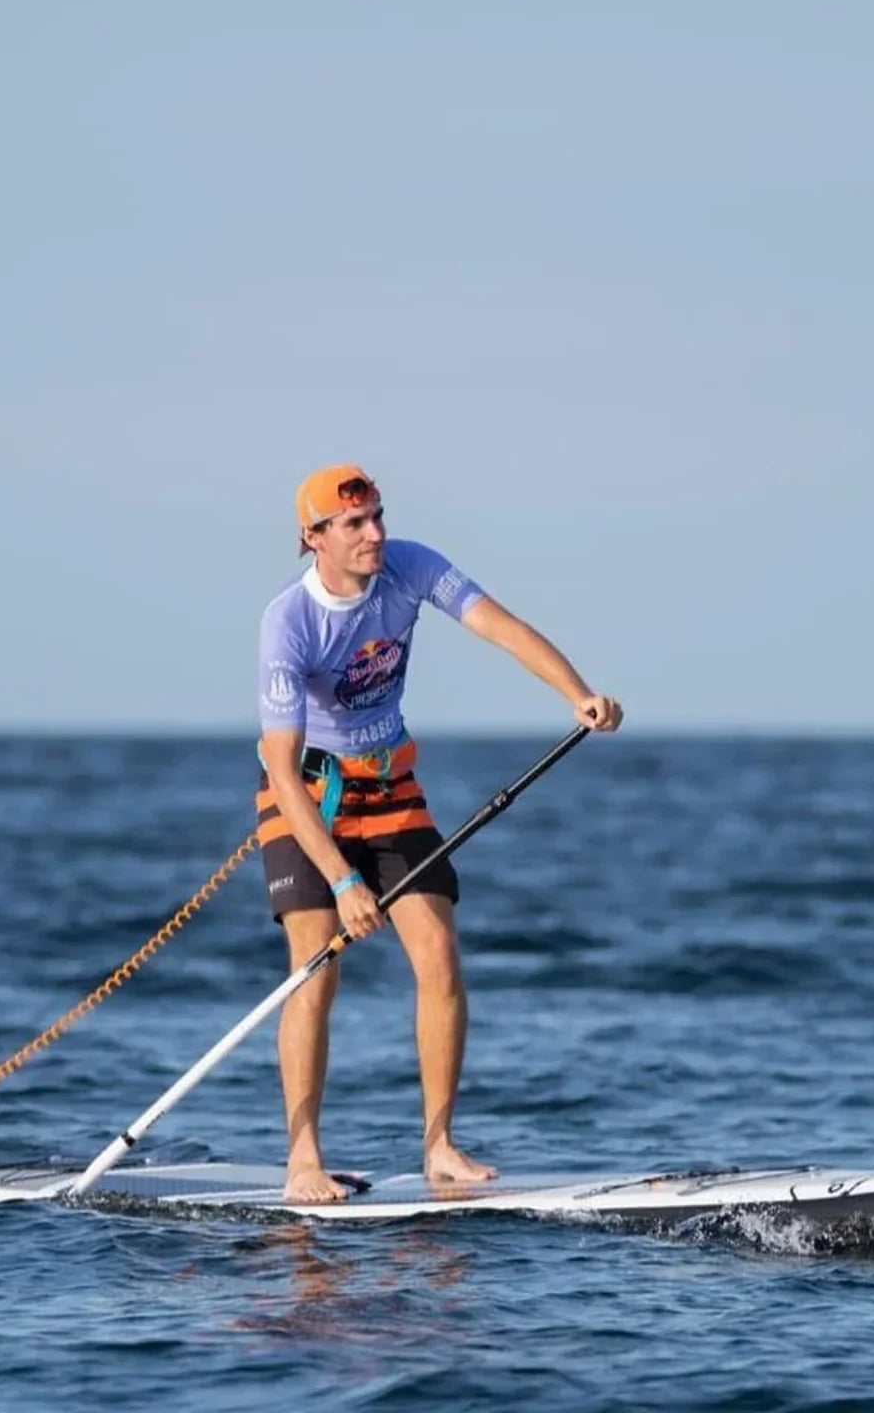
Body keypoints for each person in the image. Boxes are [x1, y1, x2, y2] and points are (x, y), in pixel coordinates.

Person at [256, 464, 623, 1203]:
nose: (375, 534)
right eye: (354, 525)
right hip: (313, 799)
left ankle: (440, 1147)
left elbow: (502, 627)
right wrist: (342, 880)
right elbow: (282, 769)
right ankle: (303, 1159)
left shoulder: (411, 567)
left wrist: (578, 693)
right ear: (314, 538)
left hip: (392, 789)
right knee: (315, 964)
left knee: (438, 954)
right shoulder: (288, 622)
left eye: (378, 518)